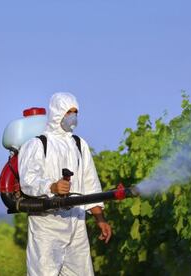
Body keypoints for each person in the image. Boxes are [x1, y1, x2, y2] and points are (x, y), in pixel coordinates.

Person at [18, 92, 112, 276]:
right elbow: (28, 180)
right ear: (57, 113)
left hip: (76, 225)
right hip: (47, 227)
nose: (73, 116)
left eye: (76, 112)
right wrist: (51, 187)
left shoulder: (79, 144)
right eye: (69, 112)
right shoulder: (38, 144)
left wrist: (100, 219)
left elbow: (90, 183)